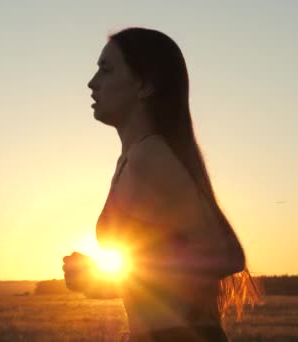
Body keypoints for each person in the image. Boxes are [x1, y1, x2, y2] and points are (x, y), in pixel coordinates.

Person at [62, 28, 262, 342]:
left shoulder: (149, 154)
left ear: (144, 85)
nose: (92, 82)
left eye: (106, 69)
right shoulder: (131, 158)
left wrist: (101, 279)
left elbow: (227, 255)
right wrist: (102, 279)